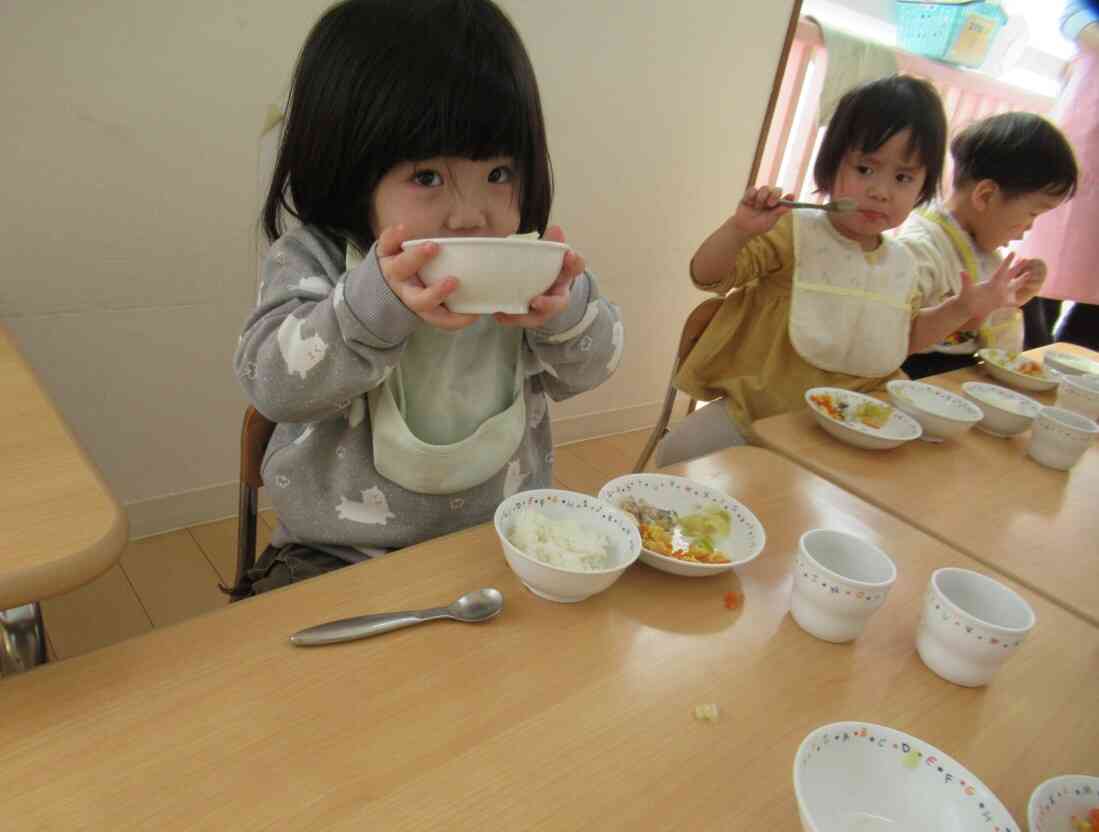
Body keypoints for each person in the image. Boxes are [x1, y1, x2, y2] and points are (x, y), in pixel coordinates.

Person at [233, 0, 622, 594]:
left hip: (501, 542)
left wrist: (564, 310)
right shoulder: (314, 258)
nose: (472, 217)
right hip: (337, 555)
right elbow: (271, 385)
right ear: (350, 168)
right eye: (427, 178)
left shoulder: (522, 263)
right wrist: (369, 308)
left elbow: (594, 367)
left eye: (497, 173)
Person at [675, 75, 1032, 441]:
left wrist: (962, 308)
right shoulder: (794, 233)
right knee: (680, 448)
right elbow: (706, 276)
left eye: (903, 177)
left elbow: (900, 340)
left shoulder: (902, 262)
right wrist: (738, 230)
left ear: (922, 188)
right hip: (759, 412)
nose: (881, 192)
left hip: (851, 422)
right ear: (831, 168)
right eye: (865, 169)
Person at [897, 112, 1076, 379]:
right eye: (1032, 213)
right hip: (916, 373)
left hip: (960, 372)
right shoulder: (919, 249)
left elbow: (992, 340)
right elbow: (894, 337)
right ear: (986, 196)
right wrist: (964, 311)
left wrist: (1015, 298)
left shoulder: (980, 246)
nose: (1029, 227)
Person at [1019, 0, 1099, 350]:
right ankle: (1024, 360)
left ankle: (1077, 384)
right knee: (1047, 251)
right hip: (1088, 115)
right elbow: (1074, 14)